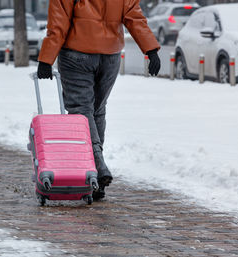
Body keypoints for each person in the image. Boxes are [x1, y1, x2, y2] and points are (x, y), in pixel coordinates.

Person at [37, 0, 161, 200]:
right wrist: (151, 50)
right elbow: (134, 17)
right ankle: (96, 180)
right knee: (97, 110)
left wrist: (46, 58)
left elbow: (58, 24)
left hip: (76, 54)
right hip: (110, 57)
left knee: (81, 110)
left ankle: (97, 164)